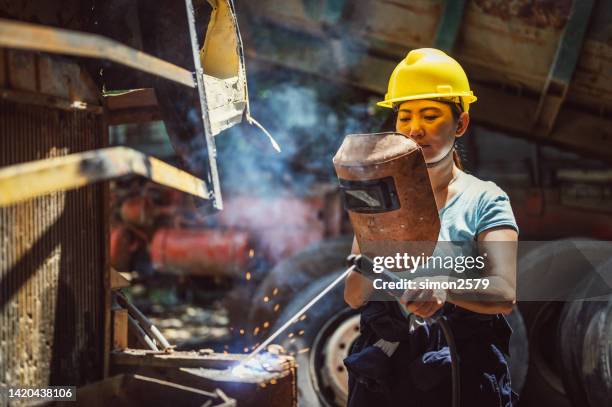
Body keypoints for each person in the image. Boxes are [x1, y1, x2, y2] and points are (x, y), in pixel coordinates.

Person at [343, 48, 519, 406]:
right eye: (405, 116)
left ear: (460, 124)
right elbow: (353, 296)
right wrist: (375, 242)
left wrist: (444, 286)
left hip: (459, 376)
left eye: (430, 115)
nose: (414, 128)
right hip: (386, 379)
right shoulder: (379, 196)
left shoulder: (484, 199)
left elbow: (504, 292)